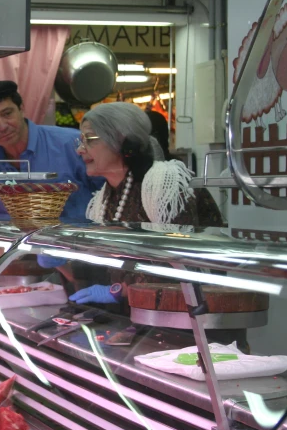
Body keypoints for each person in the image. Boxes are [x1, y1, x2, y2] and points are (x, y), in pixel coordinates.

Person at [68, 102, 224, 305]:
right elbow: (108, 264)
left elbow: (180, 263)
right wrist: (63, 260)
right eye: (80, 142)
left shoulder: (164, 182)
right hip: (146, 315)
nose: (80, 150)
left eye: (89, 140)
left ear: (120, 140)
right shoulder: (104, 198)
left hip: (194, 314)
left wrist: (119, 291)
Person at [0, 81, 104, 220]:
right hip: (22, 241)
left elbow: (111, 192)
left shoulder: (71, 143)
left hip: (79, 239)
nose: (2, 126)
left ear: (21, 108)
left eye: (7, 114)